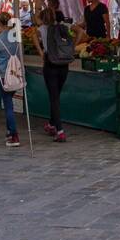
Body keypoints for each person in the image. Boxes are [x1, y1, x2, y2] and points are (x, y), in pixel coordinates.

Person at [37, 7, 71, 143]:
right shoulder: (63, 27)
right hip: (64, 64)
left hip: (50, 64)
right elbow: (80, 32)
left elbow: (34, 37)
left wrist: (41, 52)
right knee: (56, 96)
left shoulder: (42, 29)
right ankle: (51, 124)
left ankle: (60, 130)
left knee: (54, 98)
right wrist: (71, 48)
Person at [0, 14, 22, 147]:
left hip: (3, 74)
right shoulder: (17, 39)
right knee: (10, 102)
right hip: (16, 73)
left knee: (8, 105)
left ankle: (14, 134)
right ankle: (10, 131)